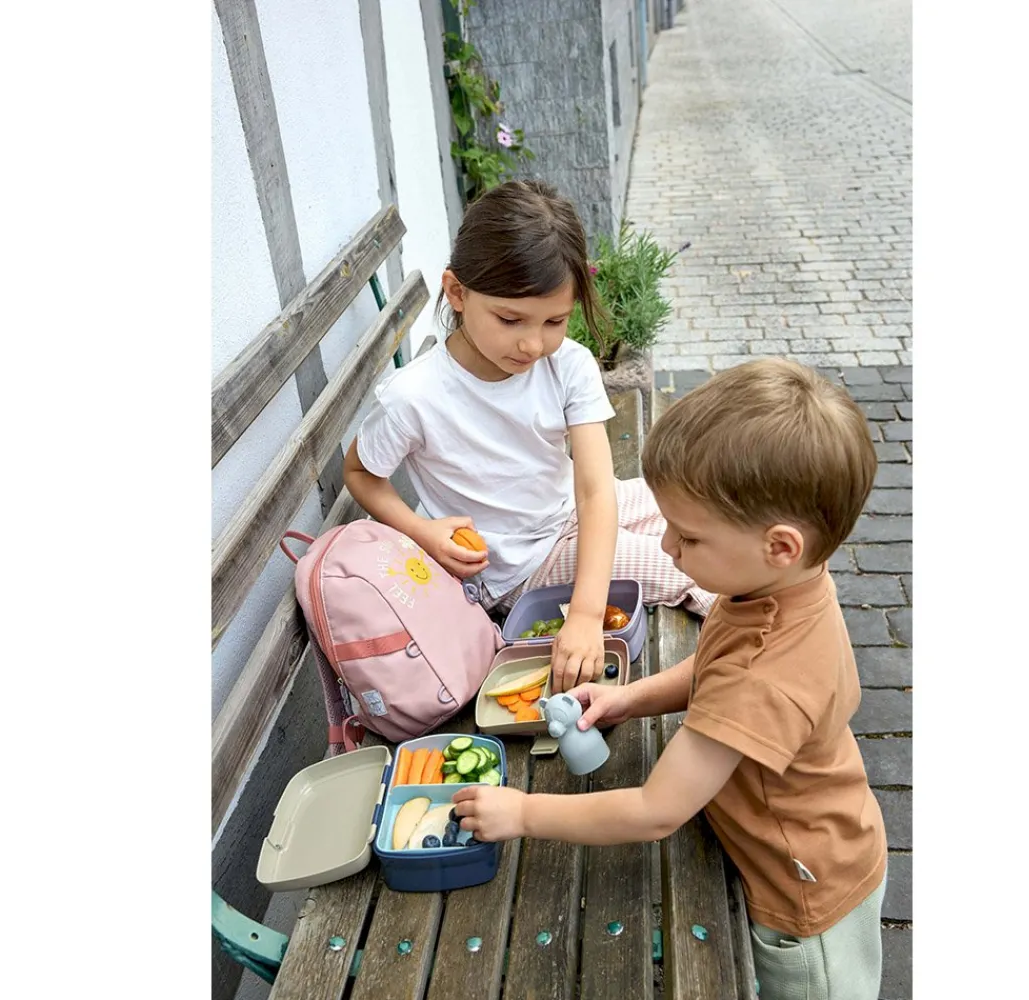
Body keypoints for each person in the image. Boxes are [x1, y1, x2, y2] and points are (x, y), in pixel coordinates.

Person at [452, 358, 889, 1000]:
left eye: (688, 537)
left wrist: (521, 811)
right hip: (802, 842)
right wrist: (631, 697)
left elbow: (655, 811)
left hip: (806, 902)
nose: (667, 550)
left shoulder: (766, 674)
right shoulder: (778, 590)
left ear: (781, 545)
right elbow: (713, 670)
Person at [343, 180, 713, 689]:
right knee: (698, 571)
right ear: (457, 293)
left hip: (570, 512)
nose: (533, 343)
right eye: (510, 319)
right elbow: (360, 472)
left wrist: (585, 611)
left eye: (555, 320)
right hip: (522, 567)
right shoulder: (416, 396)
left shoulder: (568, 364)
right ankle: (755, 686)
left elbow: (594, 489)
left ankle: (794, 606)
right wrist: (420, 529)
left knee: (708, 505)